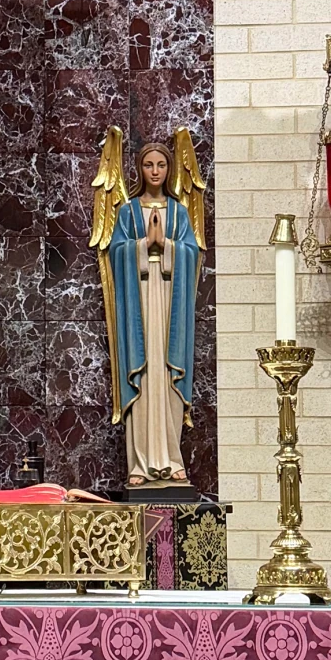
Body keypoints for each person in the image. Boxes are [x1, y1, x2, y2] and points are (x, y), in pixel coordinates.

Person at [107, 140, 200, 487]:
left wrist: (169, 247)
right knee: (144, 376)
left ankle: (173, 458)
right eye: (149, 165)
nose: (156, 171)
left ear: (169, 169)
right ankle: (140, 462)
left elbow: (192, 252)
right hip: (140, 301)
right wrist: (144, 246)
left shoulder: (178, 212)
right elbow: (115, 252)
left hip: (170, 301)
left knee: (166, 374)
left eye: (162, 164)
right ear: (140, 170)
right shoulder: (128, 212)